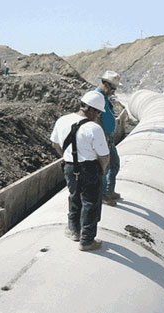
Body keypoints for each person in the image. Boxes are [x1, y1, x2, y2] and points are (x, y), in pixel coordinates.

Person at [50, 91, 109, 251]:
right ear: (92, 109)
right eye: (97, 112)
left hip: (69, 166)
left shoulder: (62, 121)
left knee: (74, 196)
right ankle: (87, 240)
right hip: (89, 168)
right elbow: (104, 156)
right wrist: (101, 171)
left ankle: (73, 230)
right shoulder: (94, 128)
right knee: (90, 202)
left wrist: (67, 157)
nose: (97, 116)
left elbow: (55, 143)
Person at [96, 70, 122, 206]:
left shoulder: (104, 97)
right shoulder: (96, 97)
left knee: (114, 165)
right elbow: (94, 118)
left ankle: (109, 191)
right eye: (112, 88)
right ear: (105, 83)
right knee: (105, 167)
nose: (114, 91)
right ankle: (104, 194)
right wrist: (103, 136)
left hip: (108, 139)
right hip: (102, 139)